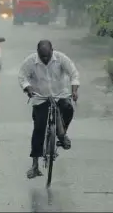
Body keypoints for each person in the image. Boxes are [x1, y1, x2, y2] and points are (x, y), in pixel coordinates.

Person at [18, 40, 80, 179]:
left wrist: (74, 90)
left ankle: (61, 134)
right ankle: (35, 165)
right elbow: (22, 77)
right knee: (39, 127)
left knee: (68, 109)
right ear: (37, 53)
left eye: (47, 56)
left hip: (60, 94)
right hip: (40, 97)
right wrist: (28, 88)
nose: (45, 59)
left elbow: (74, 73)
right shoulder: (30, 62)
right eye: (42, 57)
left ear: (52, 50)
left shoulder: (61, 58)